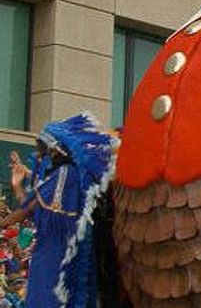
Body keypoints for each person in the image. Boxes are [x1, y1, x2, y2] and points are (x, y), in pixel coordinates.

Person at [0, 114, 116, 308]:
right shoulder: (68, 175)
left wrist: (17, 188)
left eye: (41, 149)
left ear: (54, 151)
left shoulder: (64, 174)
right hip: (57, 250)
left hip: (56, 254)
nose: (38, 155)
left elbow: (29, 209)